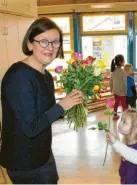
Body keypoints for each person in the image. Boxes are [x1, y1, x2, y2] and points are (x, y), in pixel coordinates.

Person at [0, 17, 85, 184]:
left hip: (42, 153)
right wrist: (62, 105)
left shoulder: (46, 76)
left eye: (55, 42)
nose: (51, 47)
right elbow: (31, 128)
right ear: (30, 44)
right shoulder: (19, 76)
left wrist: (71, 103)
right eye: (44, 41)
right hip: (24, 161)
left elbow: (46, 115)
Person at [110, 54, 127, 120]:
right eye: (123, 60)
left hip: (115, 91)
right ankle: (125, 118)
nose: (124, 61)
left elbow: (111, 82)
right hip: (122, 92)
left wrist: (111, 89)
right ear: (120, 62)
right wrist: (125, 92)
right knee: (124, 105)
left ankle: (114, 115)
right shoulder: (123, 72)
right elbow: (125, 83)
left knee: (116, 103)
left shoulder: (113, 71)